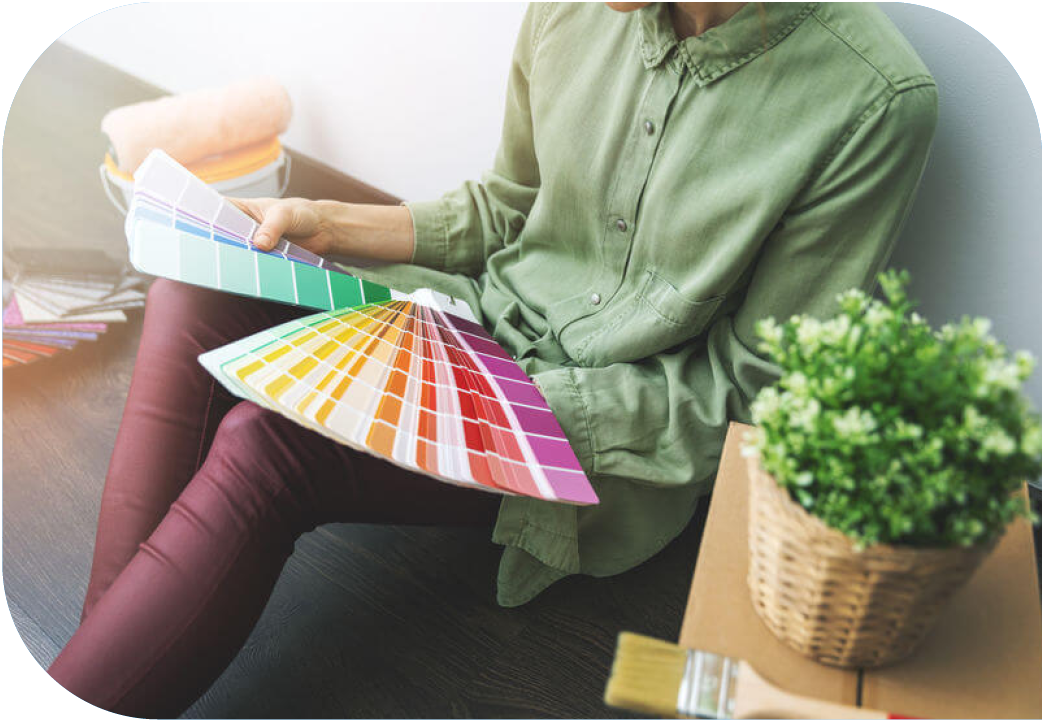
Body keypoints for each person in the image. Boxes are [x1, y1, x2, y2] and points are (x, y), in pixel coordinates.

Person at [48, 2, 938, 716]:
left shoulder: (873, 99)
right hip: (468, 319)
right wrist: (326, 223)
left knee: (270, 442)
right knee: (191, 291)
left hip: (602, 431)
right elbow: (511, 209)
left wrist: (509, 402)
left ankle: (103, 669)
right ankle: (109, 662)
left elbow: (749, 396)